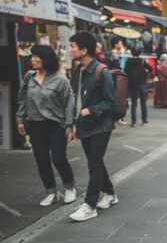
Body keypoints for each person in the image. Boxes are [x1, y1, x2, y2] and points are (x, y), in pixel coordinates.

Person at [15, 45, 77, 207]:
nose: (32, 59)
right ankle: (51, 192)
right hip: (34, 126)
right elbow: (22, 100)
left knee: (58, 158)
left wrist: (69, 127)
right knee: (41, 160)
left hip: (55, 125)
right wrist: (20, 119)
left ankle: (70, 187)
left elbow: (68, 104)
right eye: (32, 56)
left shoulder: (60, 79)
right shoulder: (29, 77)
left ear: (46, 59)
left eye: (36, 56)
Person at [68, 32, 120, 222]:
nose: (70, 49)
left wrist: (91, 110)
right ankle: (110, 193)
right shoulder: (77, 70)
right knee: (95, 160)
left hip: (101, 126)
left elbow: (111, 101)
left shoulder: (101, 71)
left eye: (73, 46)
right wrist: (72, 122)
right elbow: (75, 99)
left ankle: (90, 205)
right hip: (84, 126)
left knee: (94, 162)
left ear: (84, 50)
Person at [124, 48, 153, 127]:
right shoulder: (142, 61)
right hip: (142, 83)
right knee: (143, 102)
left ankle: (134, 121)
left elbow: (125, 71)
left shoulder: (128, 61)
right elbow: (151, 69)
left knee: (134, 103)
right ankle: (144, 119)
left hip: (132, 84)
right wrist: (145, 71)